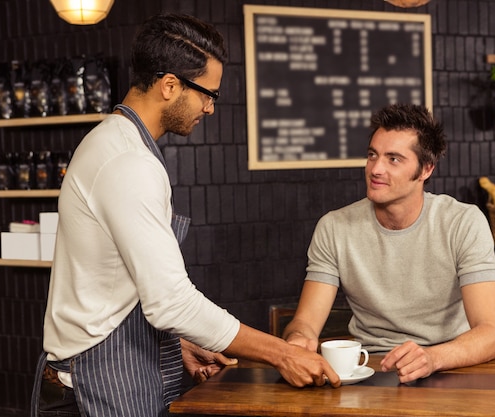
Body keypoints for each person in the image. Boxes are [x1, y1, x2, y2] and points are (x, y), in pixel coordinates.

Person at [31, 13, 340, 417]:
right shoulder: (129, 163)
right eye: (207, 94)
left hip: (108, 367)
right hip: (98, 380)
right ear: (170, 85)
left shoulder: (114, 142)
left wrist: (180, 343)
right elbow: (171, 302)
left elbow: (115, 286)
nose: (209, 108)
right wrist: (281, 354)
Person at [283, 103, 495, 384]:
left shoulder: (464, 222)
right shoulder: (334, 227)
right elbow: (305, 322)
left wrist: (433, 357)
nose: (376, 169)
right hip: (371, 368)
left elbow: (492, 334)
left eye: (394, 159)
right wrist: (298, 339)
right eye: (372, 155)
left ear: (426, 169)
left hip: (451, 365)